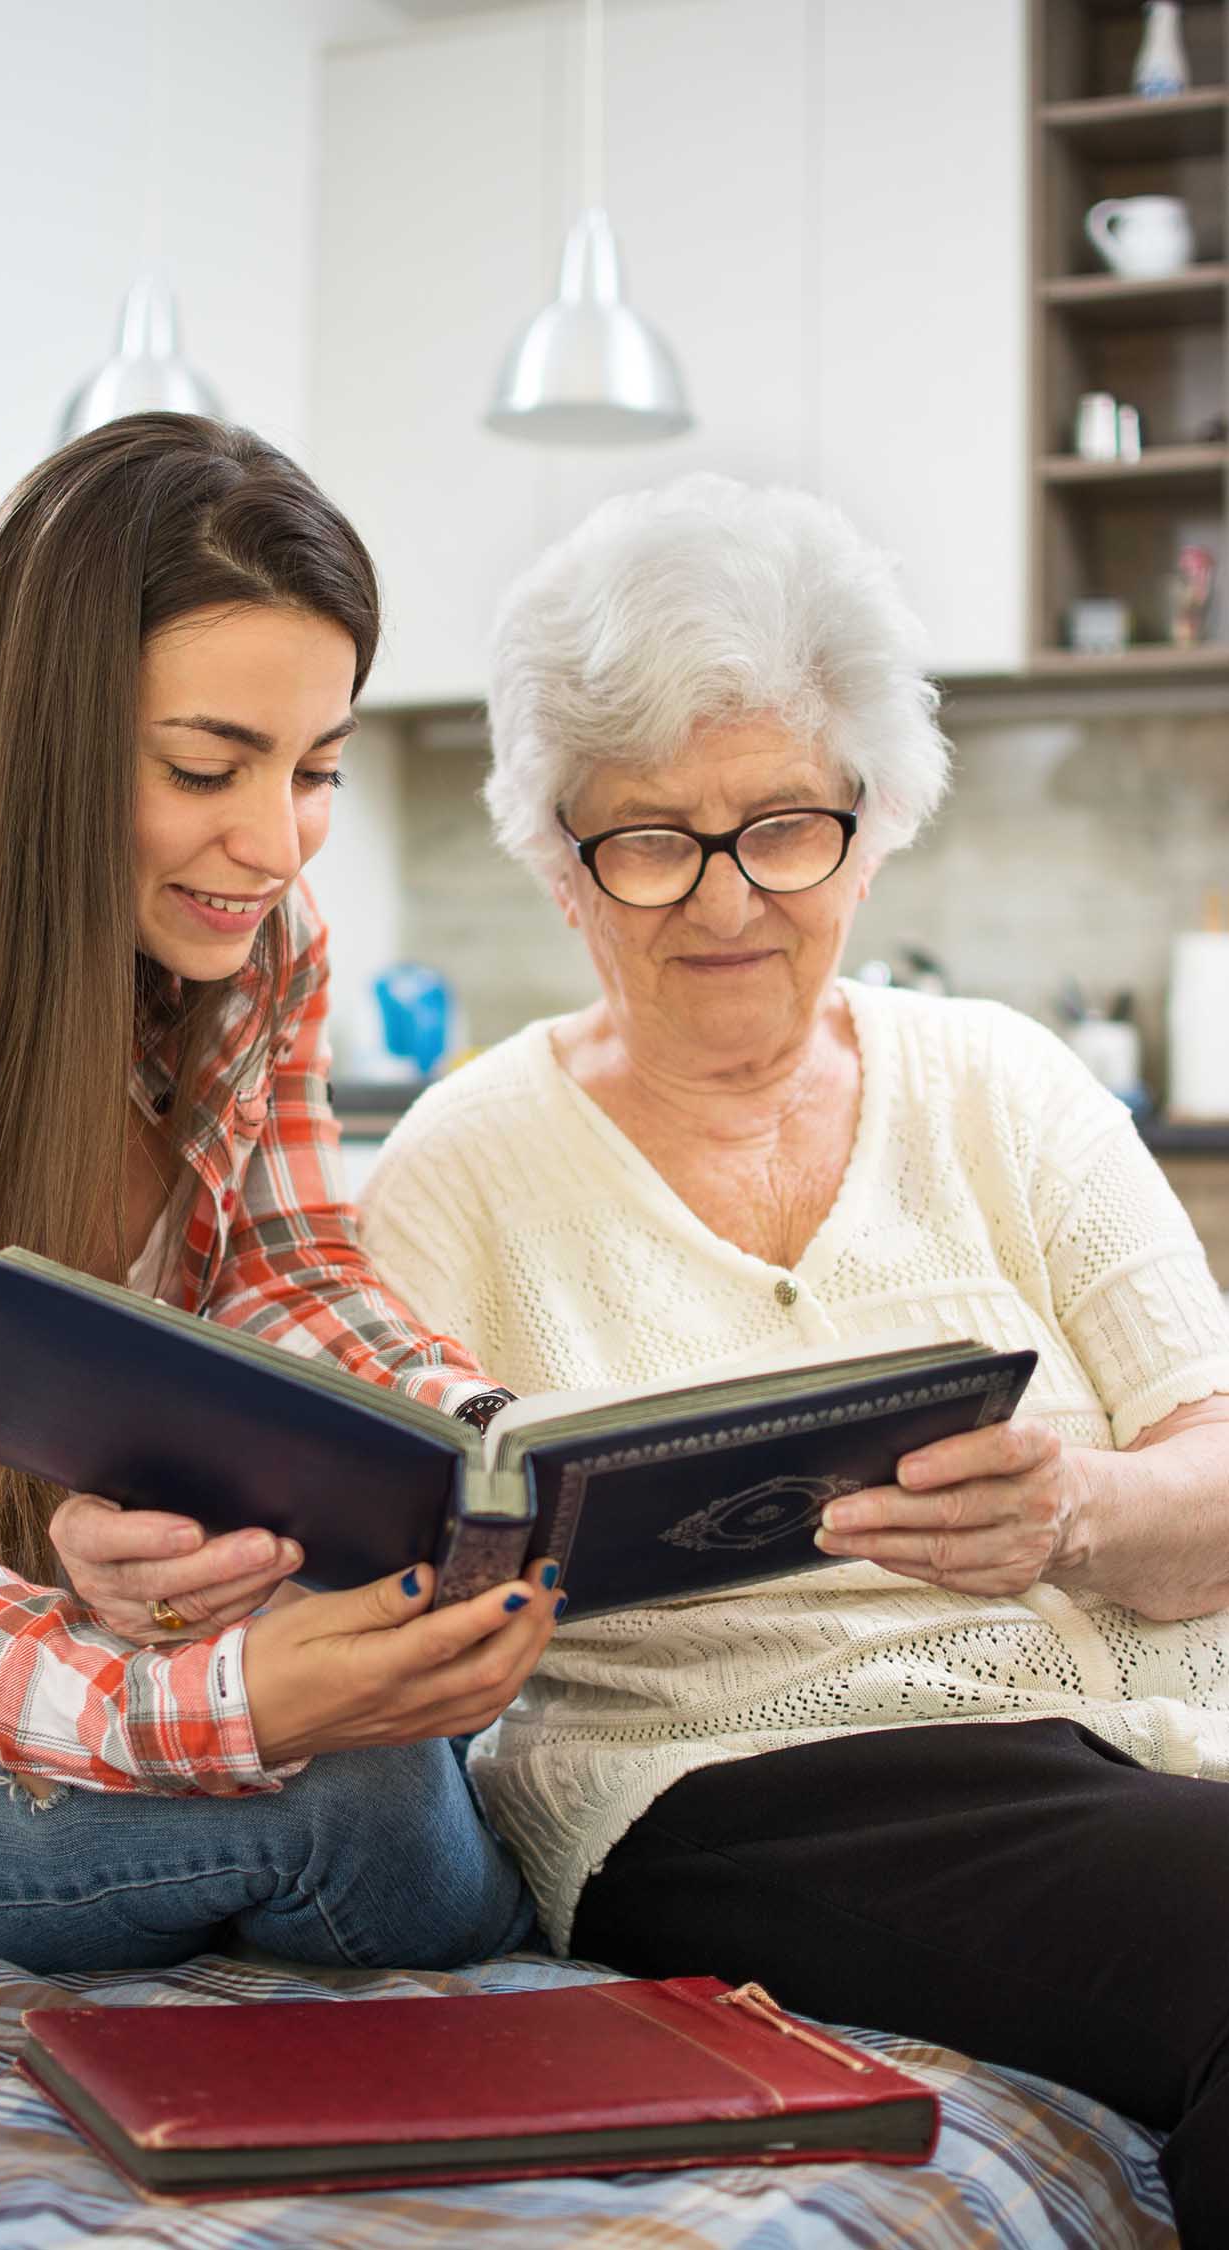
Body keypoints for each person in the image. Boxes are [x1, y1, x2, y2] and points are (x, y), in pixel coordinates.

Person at [344, 478, 1228, 2247]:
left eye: (783, 826)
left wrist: (1076, 1510)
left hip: (1139, 1747)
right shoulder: (455, 1166)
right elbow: (384, 1570)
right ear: (561, 860)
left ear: (875, 823)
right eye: (651, 838)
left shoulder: (1008, 1082)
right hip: (730, 1788)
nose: (726, 897)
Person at [0, 414, 557, 1977]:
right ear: (38, 743)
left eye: (316, 768)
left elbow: (293, 1274)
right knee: (365, 1789)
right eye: (205, 767)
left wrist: (492, 1446)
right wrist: (233, 1704)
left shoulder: (252, 946)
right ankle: (576, 2053)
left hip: (69, 1635)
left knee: (444, 1705)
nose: (273, 842)